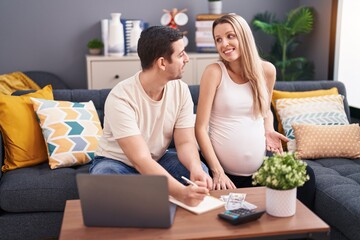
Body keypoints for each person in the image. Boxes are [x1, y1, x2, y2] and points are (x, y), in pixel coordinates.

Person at [195, 14, 315, 209]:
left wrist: (268, 130)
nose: (224, 44)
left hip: (259, 173)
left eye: (230, 36)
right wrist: (217, 171)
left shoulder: (267, 70)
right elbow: (200, 128)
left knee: (306, 176)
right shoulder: (214, 72)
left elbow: (264, 108)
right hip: (225, 175)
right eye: (218, 39)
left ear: (243, 36)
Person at [90, 26, 212, 207]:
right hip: (117, 163)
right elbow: (140, 160)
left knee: (201, 172)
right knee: (104, 180)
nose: (186, 59)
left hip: (158, 159)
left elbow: (185, 142)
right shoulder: (121, 97)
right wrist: (181, 193)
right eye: (181, 55)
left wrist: (195, 168)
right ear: (162, 63)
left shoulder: (181, 90)